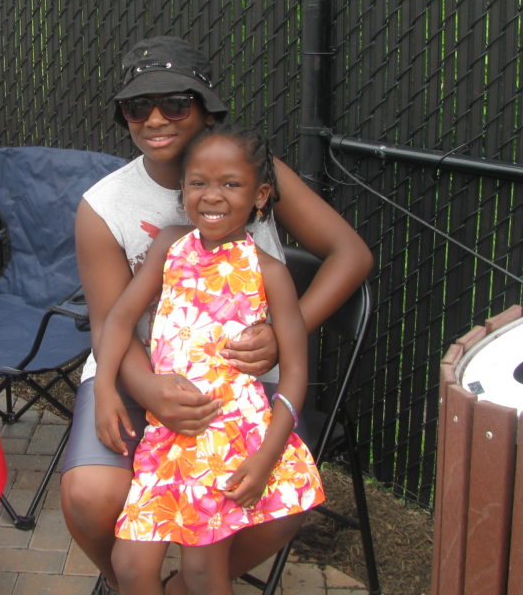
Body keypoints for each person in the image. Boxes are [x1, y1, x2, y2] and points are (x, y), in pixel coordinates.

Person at [61, 36, 373, 594]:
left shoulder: (256, 170)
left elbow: (351, 255)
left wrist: (283, 331)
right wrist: (148, 389)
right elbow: (113, 321)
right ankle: (130, 583)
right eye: (138, 106)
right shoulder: (105, 207)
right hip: (136, 368)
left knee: (281, 500)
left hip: (244, 384)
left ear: (206, 108)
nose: (155, 119)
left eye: (175, 103)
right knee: (91, 496)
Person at [94, 123, 324, 595]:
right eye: (198, 183)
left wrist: (265, 458)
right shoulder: (169, 247)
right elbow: (118, 321)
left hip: (229, 441)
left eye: (230, 184)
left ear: (260, 195)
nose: (212, 196)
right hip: (167, 433)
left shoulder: (270, 272)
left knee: (202, 571)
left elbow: (296, 375)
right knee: (131, 564)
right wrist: (103, 392)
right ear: (182, 190)